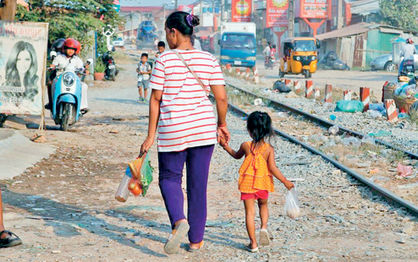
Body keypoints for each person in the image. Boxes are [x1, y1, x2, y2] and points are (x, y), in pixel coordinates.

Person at [139, 11, 229, 254]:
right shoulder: (209, 59)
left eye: (167, 33)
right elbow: (221, 98)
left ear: (173, 32)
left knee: (169, 179)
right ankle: (196, 241)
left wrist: (150, 135)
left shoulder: (164, 60)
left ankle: (179, 221)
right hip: (203, 131)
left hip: (173, 131)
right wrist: (221, 125)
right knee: (198, 187)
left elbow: (155, 99)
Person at [220, 111, 294, 253]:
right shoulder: (268, 149)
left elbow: (236, 155)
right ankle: (264, 227)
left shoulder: (246, 145)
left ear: (249, 130)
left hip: (248, 184)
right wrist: (285, 181)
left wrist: (225, 146)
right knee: (263, 205)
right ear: (267, 131)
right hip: (263, 183)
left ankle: (253, 244)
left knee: (249, 213)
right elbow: (272, 168)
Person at [47, 38, 88, 112]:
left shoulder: (77, 59)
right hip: (59, 78)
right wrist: (52, 67)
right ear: (64, 49)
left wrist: (84, 70)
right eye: (68, 49)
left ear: (75, 51)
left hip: (73, 80)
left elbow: (81, 68)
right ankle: (52, 103)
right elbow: (53, 64)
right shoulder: (59, 57)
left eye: (72, 49)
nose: (70, 51)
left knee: (84, 86)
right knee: (52, 84)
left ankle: (82, 107)